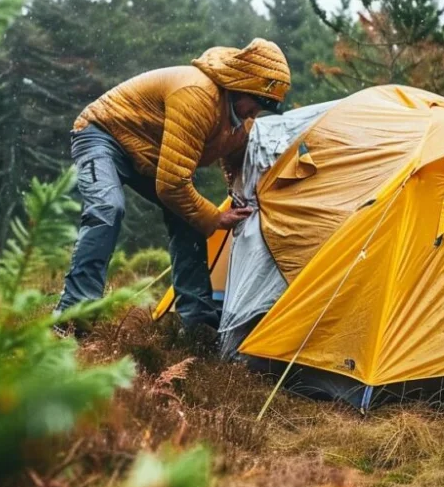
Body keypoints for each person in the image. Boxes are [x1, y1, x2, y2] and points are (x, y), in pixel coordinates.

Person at [54, 38, 291, 337]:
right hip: (102, 134)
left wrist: (242, 195)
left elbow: (235, 160)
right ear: (241, 86)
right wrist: (215, 218)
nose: (257, 113)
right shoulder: (198, 96)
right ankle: (74, 316)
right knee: (107, 208)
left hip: (148, 155)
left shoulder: (238, 120)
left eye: (266, 107)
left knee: (188, 219)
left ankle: (198, 327)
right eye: (258, 102)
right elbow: (172, 185)